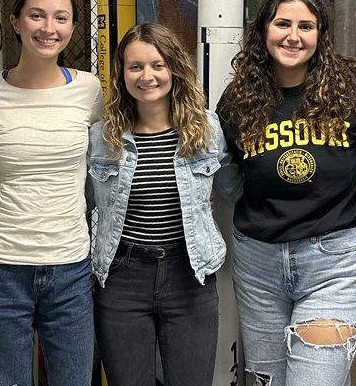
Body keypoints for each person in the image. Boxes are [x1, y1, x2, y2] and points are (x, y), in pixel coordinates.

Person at [216, 0, 356, 385]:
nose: (293, 36)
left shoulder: (350, 91)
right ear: (264, 29)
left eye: (306, 26)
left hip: (333, 261)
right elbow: (230, 173)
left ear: (320, 34)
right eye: (282, 24)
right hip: (258, 264)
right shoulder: (238, 100)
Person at [88, 23, 241, 386]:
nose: (147, 76)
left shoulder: (207, 130)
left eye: (158, 65)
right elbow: (80, 203)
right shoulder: (101, 137)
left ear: (174, 68)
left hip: (189, 273)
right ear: (122, 74)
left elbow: (234, 189)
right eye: (135, 66)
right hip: (122, 277)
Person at [0, 0, 103, 385]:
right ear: (15, 22)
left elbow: (105, 161)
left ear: (73, 27)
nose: (48, 28)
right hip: (0, 267)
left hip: (70, 266)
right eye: (36, 15)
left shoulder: (89, 89)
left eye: (61, 18)